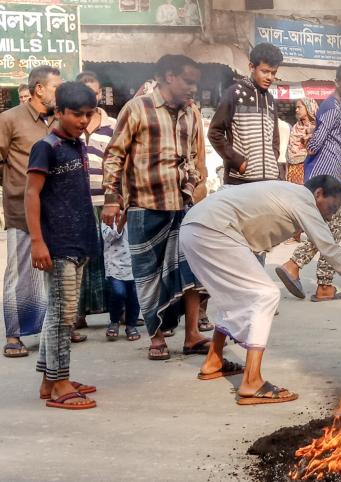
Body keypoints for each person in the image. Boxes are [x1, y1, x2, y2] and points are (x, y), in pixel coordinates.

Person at [180, 176, 341, 405]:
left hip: (195, 227)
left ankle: (214, 361)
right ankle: (252, 382)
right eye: (331, 207)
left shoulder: (288, 192)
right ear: (318, 194)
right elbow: (331, 250)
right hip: (212, 229)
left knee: (236, 297)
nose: (331, 215)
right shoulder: (303, 199)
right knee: (266, 294)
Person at [101, 54, 209, 360]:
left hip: (183, 205)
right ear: (168, 77)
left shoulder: (191, 113)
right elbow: (114, 154)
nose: (193, 88)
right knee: (148, 276)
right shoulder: (137, 108)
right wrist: (112, 198)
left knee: (190, 272)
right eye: (189, 81)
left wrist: (194, 185)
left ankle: (191, 336)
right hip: (144, 206)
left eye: (196, 83)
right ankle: (157, 338)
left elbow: (191, 157)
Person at [26, 81, 99, 409]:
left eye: (88, 114)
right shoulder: (46, 147)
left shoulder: (77, 144)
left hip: (79, 240)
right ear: (59, 112)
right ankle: (60, 384)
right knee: (62, 314)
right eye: (76, 114)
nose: (83, 120)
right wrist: (38, 242)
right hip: (57, 244)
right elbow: (31, 194)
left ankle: (49, 380)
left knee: (64, 312)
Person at [278, 63, 341, 302]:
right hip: (324, 178)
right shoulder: (333, 107)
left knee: (326, 229)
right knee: (330, 231)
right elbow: (315, 144)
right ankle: (301, 270)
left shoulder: (336, 106)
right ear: (337, 83)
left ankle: (314, 278)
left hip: (329, 176)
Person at [1, 66, 64, 358]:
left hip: (53, 209)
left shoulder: (57, 121)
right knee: (20, 274)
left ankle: (50, 328)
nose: (58, 92)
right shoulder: (9, 119)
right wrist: (13, 188)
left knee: (52, 272)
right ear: (39, 88)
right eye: (55, 87)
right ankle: (14, 335)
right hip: (19, 208)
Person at [209, 42, 282, 188]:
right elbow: (214, 133)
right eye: (265, 71)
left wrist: (272, 160)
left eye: (273, 73)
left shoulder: (270, 100)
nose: (269, 77)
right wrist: (239, 162)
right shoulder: (234, 93)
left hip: (268, 182)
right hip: (239, 183)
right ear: (251, 67)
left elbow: (274, 139)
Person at [73, 71, 114, 332]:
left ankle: (119, 312)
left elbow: (120, 161)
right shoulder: (67, 123)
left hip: (105, 201)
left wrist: (116, 198)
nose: (92, 95)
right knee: (80, 261)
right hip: (76, 203)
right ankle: (77, 315)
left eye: (95, 91)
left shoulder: (113, 124)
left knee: (112, 258)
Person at [101, 211, 141, 341]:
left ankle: (131, 325)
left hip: (134, 265)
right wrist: (122, 221)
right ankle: (114, 321)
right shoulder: (107, 218)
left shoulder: (135, 215)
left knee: (134, 297)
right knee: (118, 293)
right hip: (115, 266)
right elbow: (109, 237)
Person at [286, 98, 318, 184]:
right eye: (296, 108)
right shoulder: (295, 128)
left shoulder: (318, 128)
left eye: (299, 107)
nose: (296, 110)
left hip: (310, 168)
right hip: (293, 170)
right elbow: (290, 151)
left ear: (308, 107)